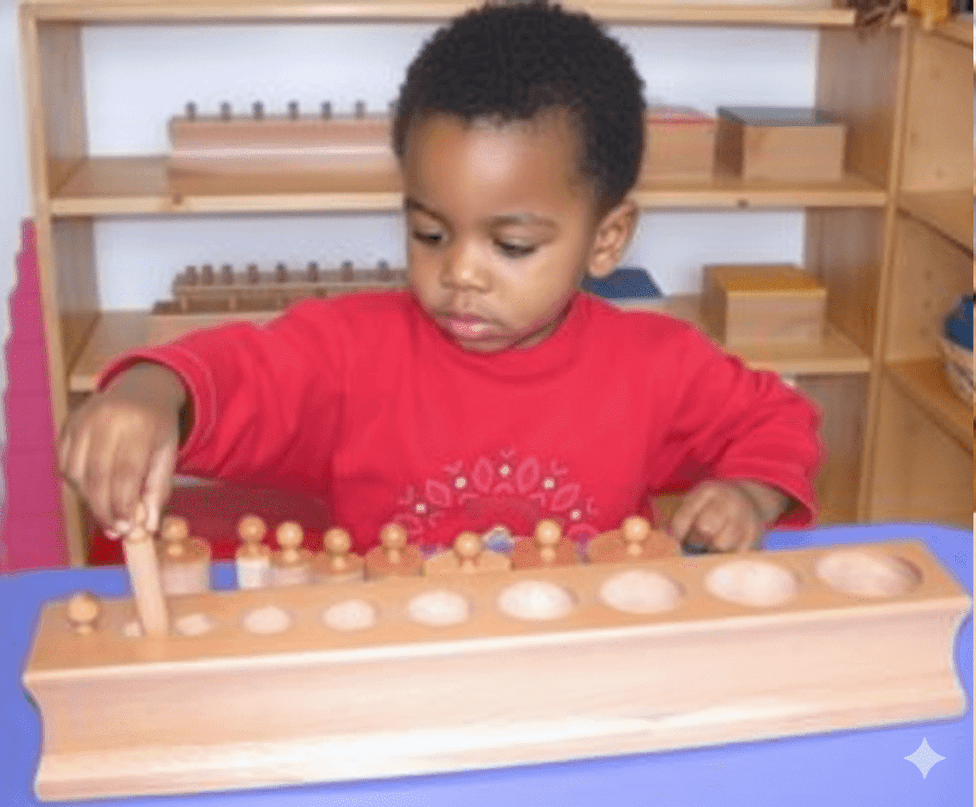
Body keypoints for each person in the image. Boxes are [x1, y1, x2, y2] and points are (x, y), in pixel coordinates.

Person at [57, 1, 822, 556]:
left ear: (607, 239)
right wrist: (152, 391)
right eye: (429, 233)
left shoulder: (655, 364)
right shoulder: (352, 352)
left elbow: (778, 420)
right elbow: (243, 374)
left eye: (512, 245)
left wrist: (749, 494)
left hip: (586, 671)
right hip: (398, 679)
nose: (458, 271)